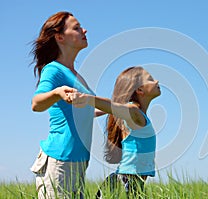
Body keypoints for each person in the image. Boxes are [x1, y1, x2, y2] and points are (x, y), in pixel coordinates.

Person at [30, 11, 104, 198]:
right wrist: (57, 92)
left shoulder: (76, 75)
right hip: (59, 161)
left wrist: (116, 107)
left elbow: (83, 111)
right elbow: (36, 104)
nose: (84, 30)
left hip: (77, 163)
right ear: (60, 37)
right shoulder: (53, 69)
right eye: (77, 27)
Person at [69, 66, 161, 198]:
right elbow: (112, 106)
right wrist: (87, 99)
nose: (157, 81)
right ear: (140, 90)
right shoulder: (134, 113)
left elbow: (114, 108)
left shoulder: (139, 115)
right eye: (150, 79)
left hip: (132, 183)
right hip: (126, 183)